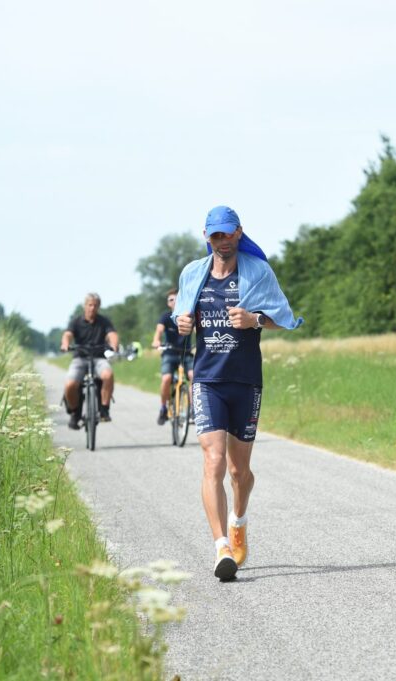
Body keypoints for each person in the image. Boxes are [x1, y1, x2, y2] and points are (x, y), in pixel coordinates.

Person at [173, 205, 302, 582]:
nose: (223, 241)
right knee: (213, 461)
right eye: (216, 235)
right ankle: (221, 548)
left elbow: (286, 317)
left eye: (228, 234)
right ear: (206, 237)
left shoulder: (257, 271)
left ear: (239, 233)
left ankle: (238, 522)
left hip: (245, 380)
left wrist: (255, 320)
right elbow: (182, 316)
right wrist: (182, 323)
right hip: (207, 380)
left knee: (238, 470)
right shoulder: (193, 274)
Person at [60, 293, 120, 429]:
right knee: (70, 384)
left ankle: (104, 409)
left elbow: (112, 334)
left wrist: (114, 344)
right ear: (85, 306)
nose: (92, 308)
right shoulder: (76, 321)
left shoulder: (104, 321)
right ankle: (75, 413)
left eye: (95, 305)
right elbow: (68, 334)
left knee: (108, 375)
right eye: (90, 305)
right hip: (80, 358)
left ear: (99, 306)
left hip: (99, 358)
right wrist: (65, 344)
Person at [151, 288, 194, 425]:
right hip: (169, 353)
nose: (174, 301)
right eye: (170, 299)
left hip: (186, 353)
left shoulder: (189, 316)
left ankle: (193, 409)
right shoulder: (165, 317)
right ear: (168, 303)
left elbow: (199, 330)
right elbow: (159, 331)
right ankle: (163, 408)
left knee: (194, 376)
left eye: (176, 298)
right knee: (167, 378)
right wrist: (156, 341)